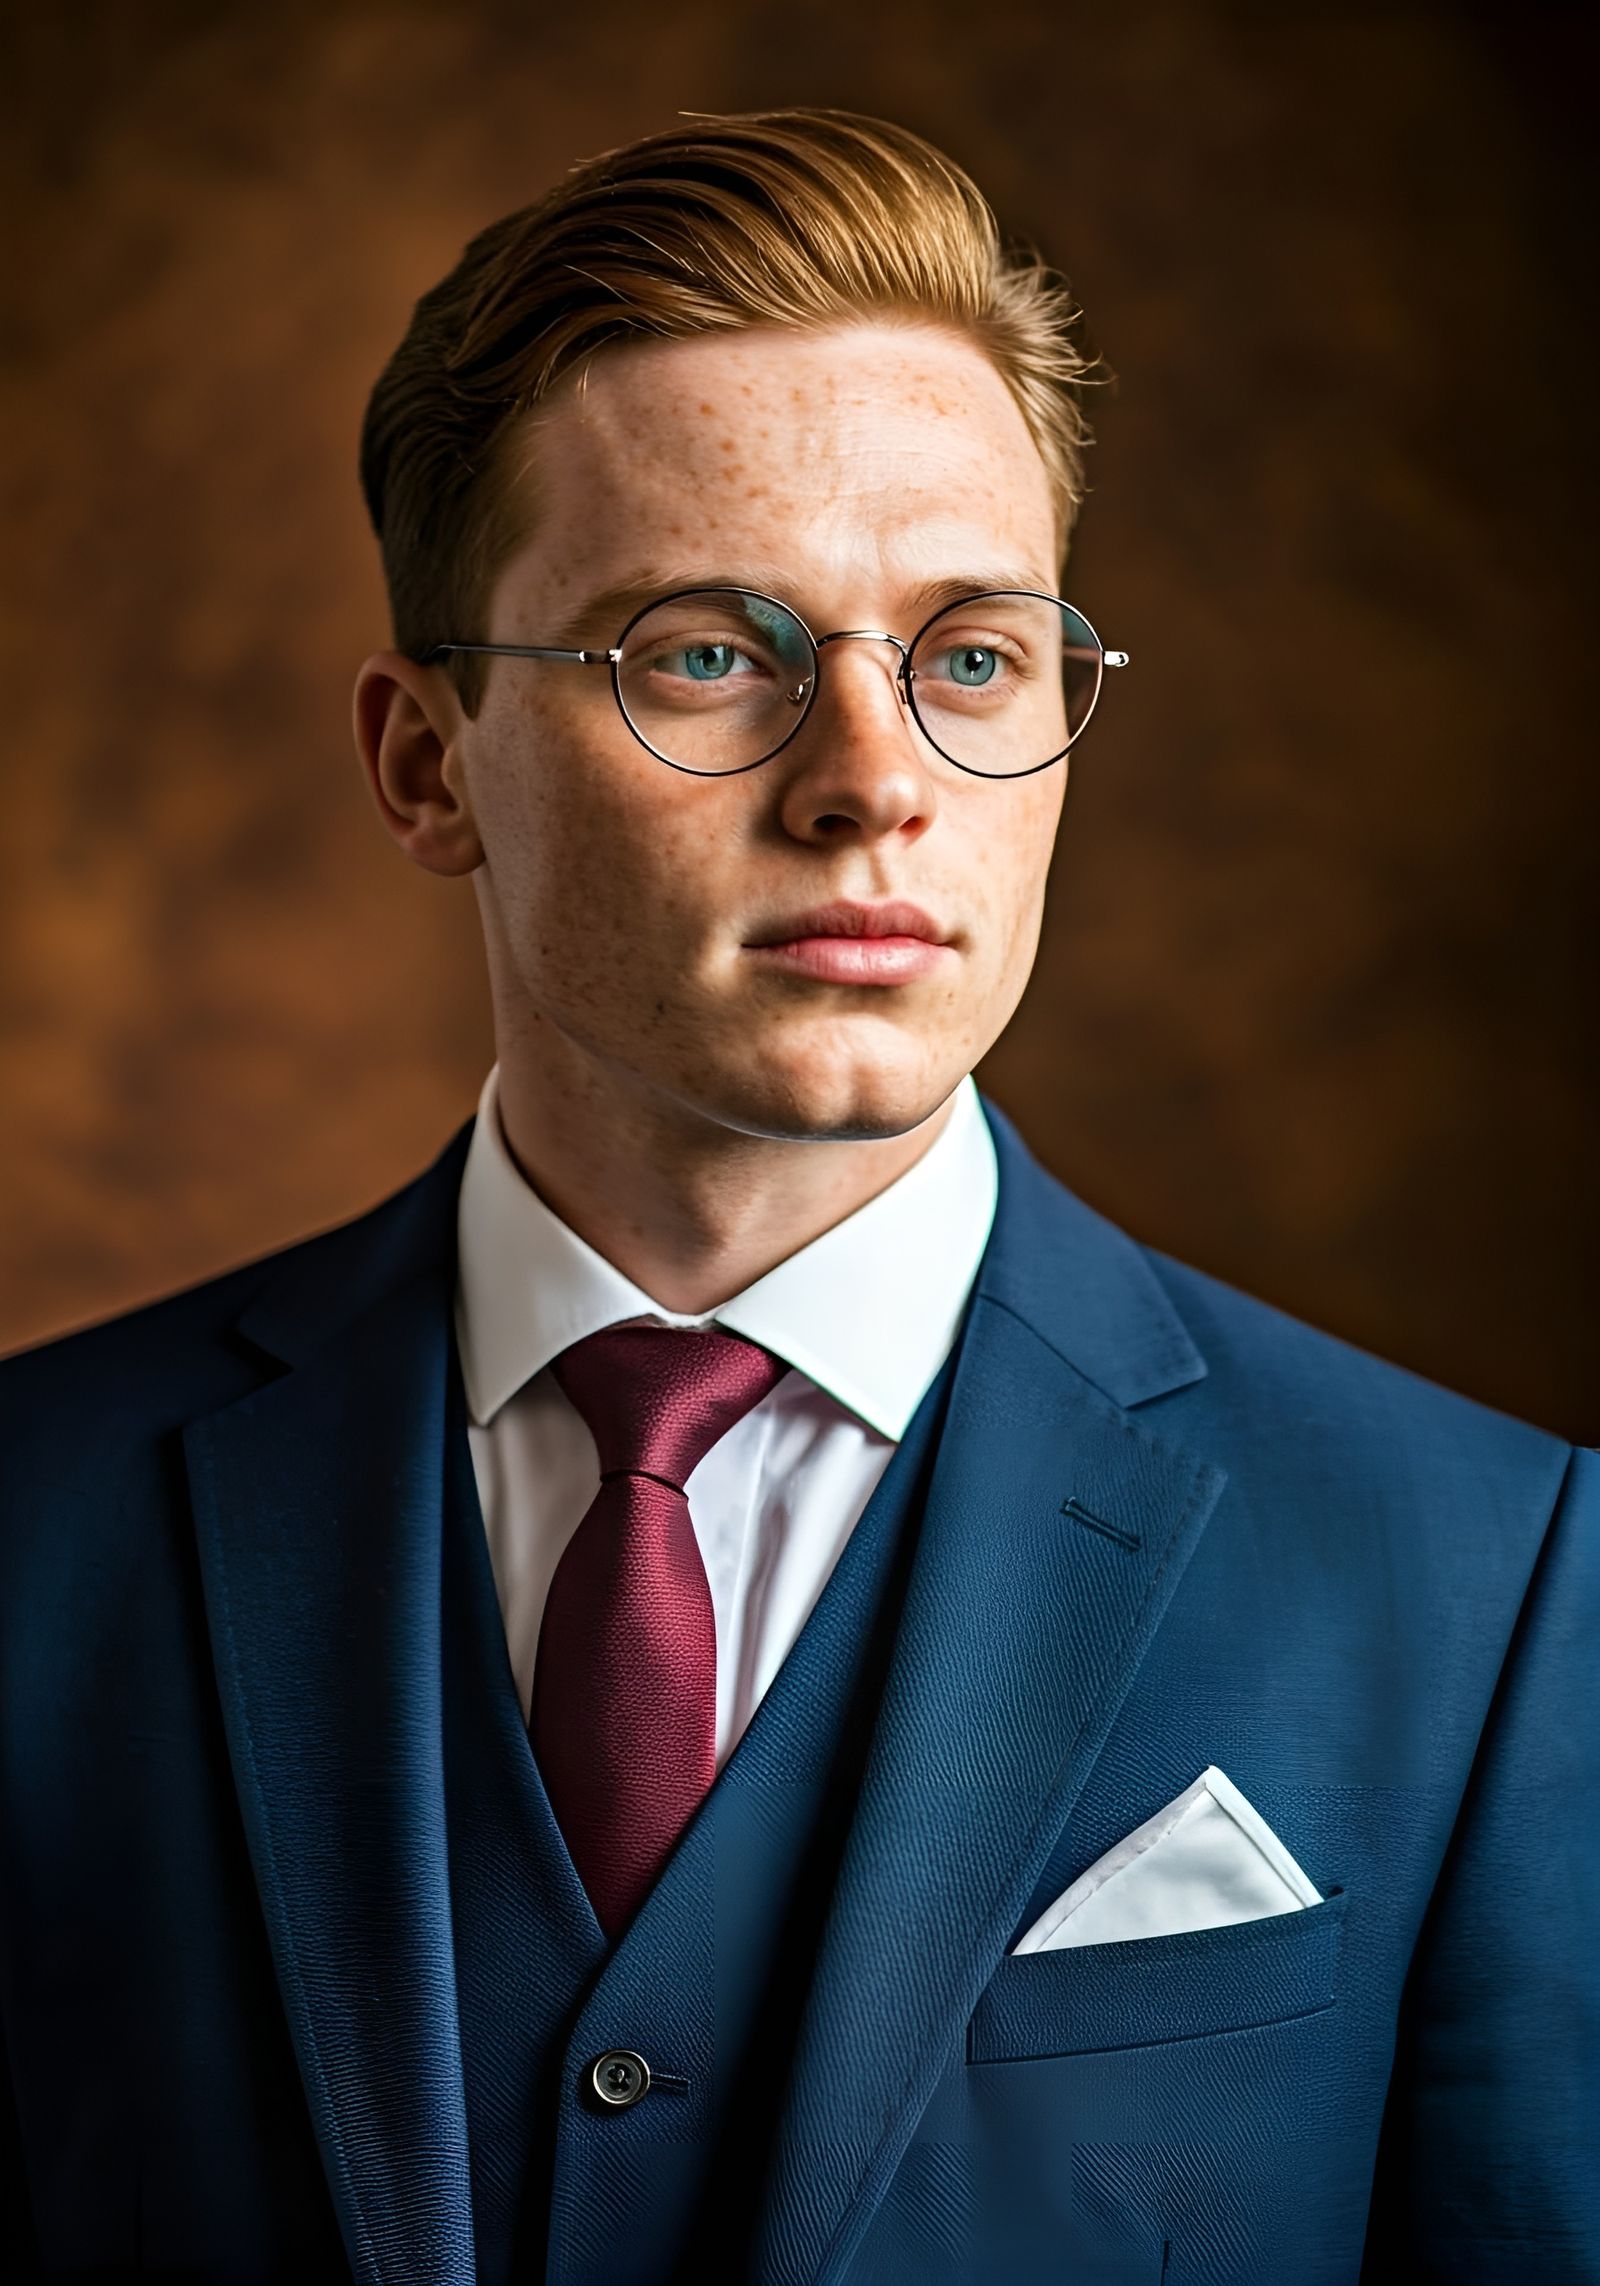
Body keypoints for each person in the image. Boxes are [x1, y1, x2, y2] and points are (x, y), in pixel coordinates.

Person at [0, 107, 1593, 2286]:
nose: (869, 784)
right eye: (707, 652)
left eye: (966, 658)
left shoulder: (1491, 1584)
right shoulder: (29, 1530)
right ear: (422, 762)